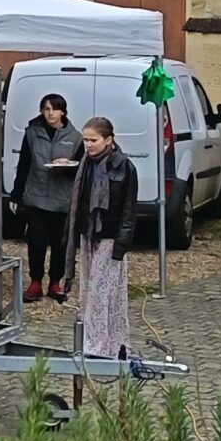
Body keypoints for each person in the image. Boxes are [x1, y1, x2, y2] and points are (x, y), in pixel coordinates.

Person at [62, 116, 139, 361]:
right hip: (88, 234)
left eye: (93, 140)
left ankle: (100, 345)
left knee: (102, 291)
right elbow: (78, 202)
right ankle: (104, 343)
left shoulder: (124, 167)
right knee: (89, 290)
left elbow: (128, 209)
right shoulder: (85, 163)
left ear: (108, 140)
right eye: (85, 140)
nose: (88, 145)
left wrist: (121, 246)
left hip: (109, 236)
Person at [7, 92, 82, 303]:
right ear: (41, 110)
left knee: (60, 244)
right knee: (36, 242)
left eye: (55, 109)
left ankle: (55, 282)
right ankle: (35, 282)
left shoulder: (75, 137)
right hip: (37, 196)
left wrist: (66, 168)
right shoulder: (32, 133)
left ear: (63, 112)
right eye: (46, 109)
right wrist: (16, 193)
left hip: (61, 199)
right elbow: (24, 164)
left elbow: (80, 170)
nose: (50, 113)